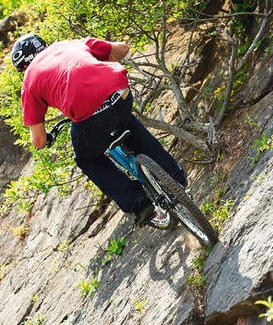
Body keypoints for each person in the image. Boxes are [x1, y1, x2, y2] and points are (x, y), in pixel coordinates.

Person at [11, 33, 187, 228]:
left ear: (24, 66)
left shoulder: (29, 80)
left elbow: (38, 141)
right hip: (119, 92)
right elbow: (122, 48)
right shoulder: (70, 43)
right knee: (130, 125)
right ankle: (175, 178)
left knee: (87, 159)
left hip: (90, 117)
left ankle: (139, 204)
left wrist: (46, 138)